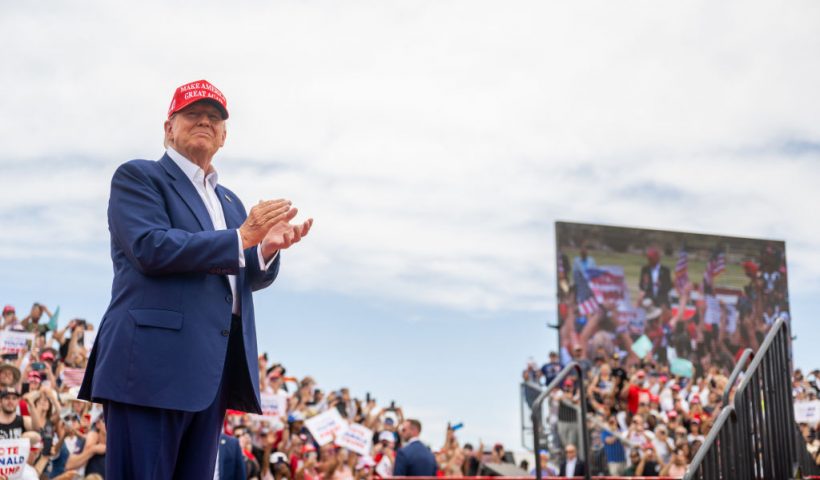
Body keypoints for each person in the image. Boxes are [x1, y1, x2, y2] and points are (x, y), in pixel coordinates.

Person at [78, 79, 313, 478]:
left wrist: (265, 250)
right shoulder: (139, 177)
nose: (204, 121)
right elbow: (151, 248)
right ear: (169, 127)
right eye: (192, 114)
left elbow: (235, 274)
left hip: (209, 374)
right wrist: (241, 238)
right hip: (150, 370)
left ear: (224, 135)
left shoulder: (230, 201)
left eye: (214, 117)